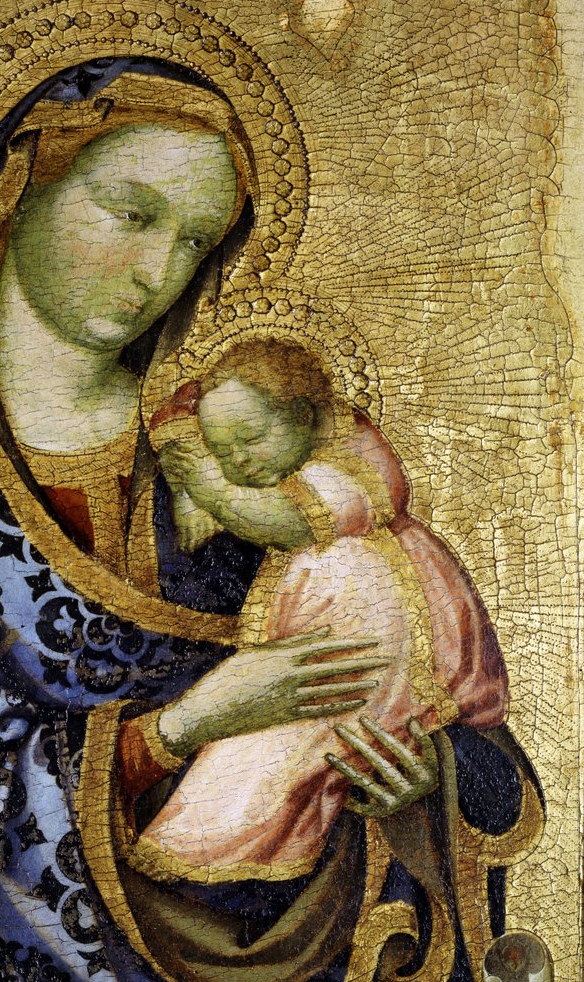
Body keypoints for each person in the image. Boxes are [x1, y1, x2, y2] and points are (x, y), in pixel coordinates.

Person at [0, 57, 538, 982]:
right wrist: (182, 728)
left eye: (194, 241)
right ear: (15, 197)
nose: (158, 270)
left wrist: (423, 779)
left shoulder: (247, 454)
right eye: (133, 213)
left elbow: (435, 676)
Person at [128, 341, 509, 880]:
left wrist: (205, 486)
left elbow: (278, 519)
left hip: (368, 663)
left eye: (250, 441)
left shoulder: (340, 475)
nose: (237, 463)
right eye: (221, 452)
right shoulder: (194, 500)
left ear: (304, 417)